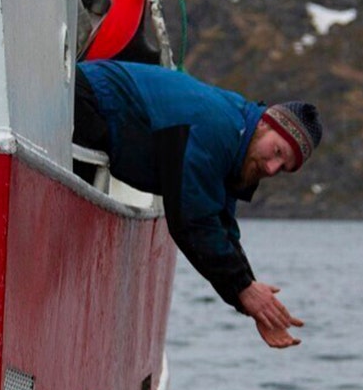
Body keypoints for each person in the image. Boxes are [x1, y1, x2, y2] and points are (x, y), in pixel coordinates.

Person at [73, 60, 322, 349]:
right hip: (86, 98)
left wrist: (252, 296)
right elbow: (192, 220)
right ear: (266, 123)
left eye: (283, 167)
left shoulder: (238, 140)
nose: (271, 167)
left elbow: (222, 226)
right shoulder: (217, 126)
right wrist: (243, 289)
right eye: (277, 151)